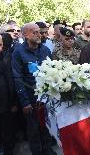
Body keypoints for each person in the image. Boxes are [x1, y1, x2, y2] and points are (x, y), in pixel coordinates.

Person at [12, 23, 53, 155]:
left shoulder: (45, 50)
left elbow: (53, 72)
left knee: (46, 125)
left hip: (46, 97)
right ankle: (37, 151)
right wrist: (25, 102)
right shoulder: (18, 52)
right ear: (25, 35)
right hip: (30, 97)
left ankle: (47, 149)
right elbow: (17, 78)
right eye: (34, 32)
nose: (39, 35)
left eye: (39, 32)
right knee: (33, 128)